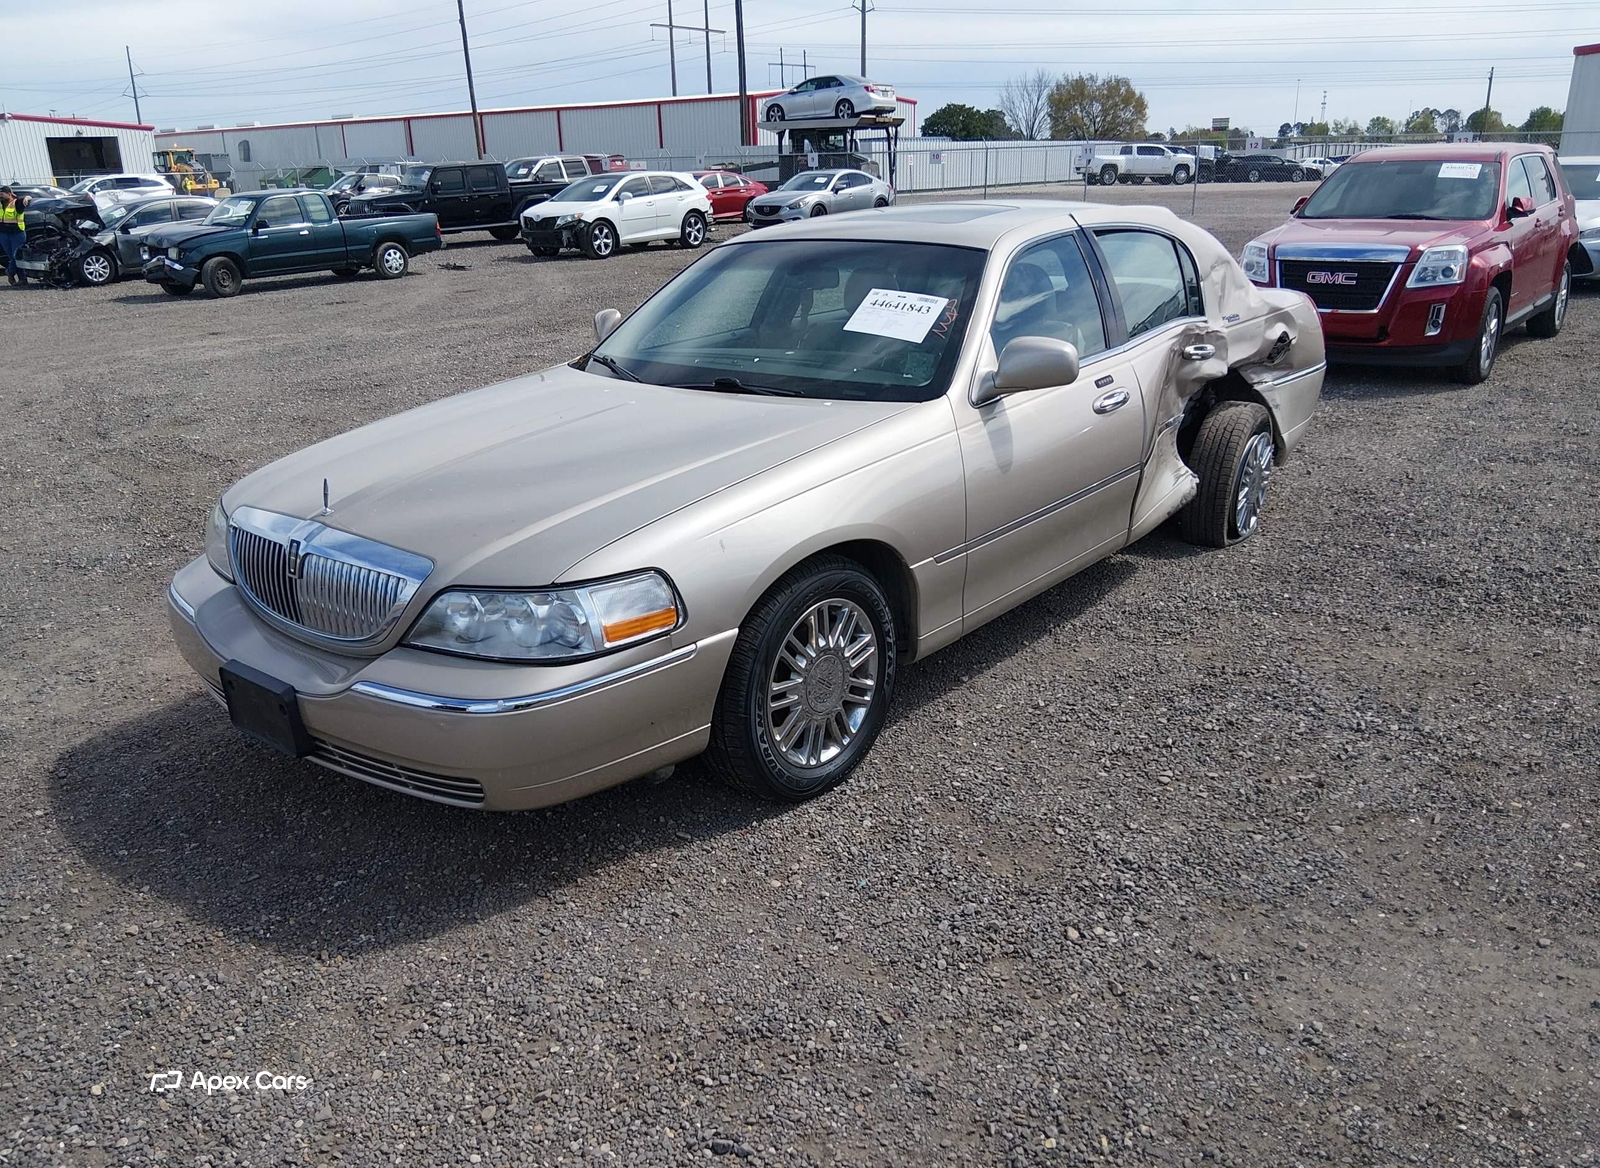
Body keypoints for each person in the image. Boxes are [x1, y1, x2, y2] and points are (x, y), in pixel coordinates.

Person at [0, 186, 29, 286]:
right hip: (4, 234)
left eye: (2, 194)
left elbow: (29, 197)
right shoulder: (1, 204)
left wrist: (27, 198)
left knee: (16, 256)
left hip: (17, 234)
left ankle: (9, 272)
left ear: (9, 194)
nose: (1, 197)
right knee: (11, 257)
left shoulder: (17, 203)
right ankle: (23, 279)